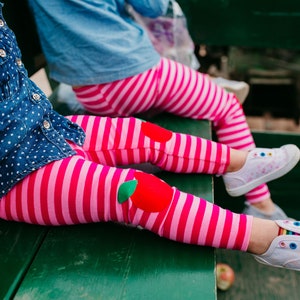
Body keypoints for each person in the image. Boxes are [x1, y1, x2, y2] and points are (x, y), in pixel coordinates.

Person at [2, 3, 300, 272]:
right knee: (137, 191)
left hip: (44, 126)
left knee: (145, 134)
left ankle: (238, 163)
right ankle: (267, 237)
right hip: (14, 169)